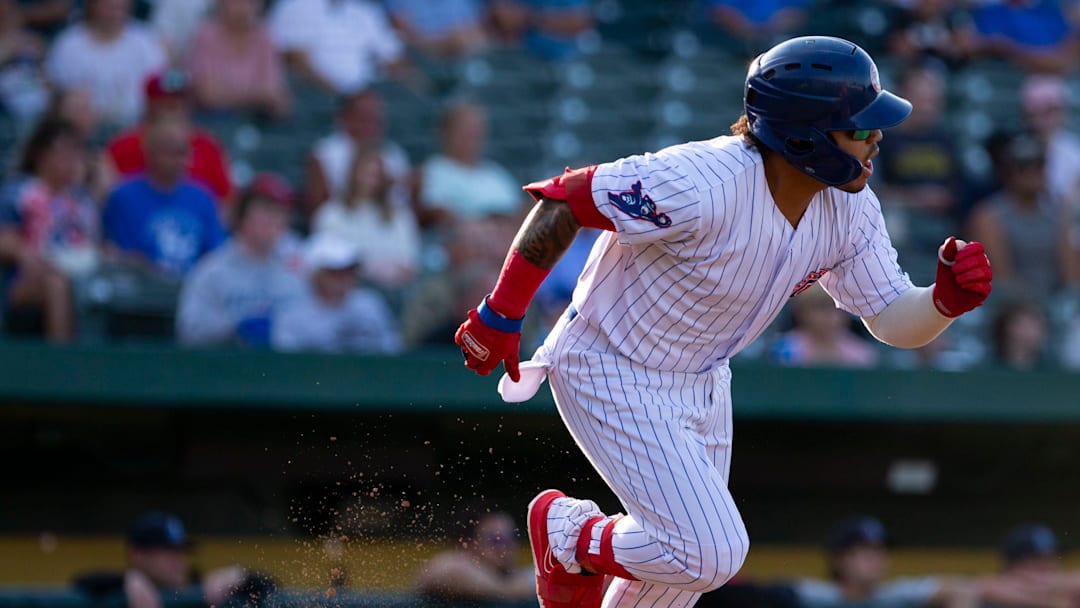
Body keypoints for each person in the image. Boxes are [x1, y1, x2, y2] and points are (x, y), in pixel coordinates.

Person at [454, 36, 993, 607]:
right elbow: (567, 200)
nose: (877, 137)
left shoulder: (851, 206)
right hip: (611, 362)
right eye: (859, 127)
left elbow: (887, 316)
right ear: (802, 132)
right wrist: (501, 313)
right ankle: (571, 536)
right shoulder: (704, 179)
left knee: (670, 587)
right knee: (709, 553)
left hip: (705, 380)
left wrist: (942, 302)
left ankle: (582, 547)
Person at [791, 516, 1037, 608]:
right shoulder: (812, 595)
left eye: (881, 551)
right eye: (865, 551)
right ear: (839, 558)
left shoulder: (896, 595)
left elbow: (959, 590)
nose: (876, 559)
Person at [176, 172, 304, 348]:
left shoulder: (299, 268)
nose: (274, 219)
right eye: (265, 210)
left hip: (286, 368)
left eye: (280, 212)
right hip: (227, 367)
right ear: (242, 217)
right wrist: (233, 327)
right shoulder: (212, 270)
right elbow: (188, 331)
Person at [0, 118, 97, 342]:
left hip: (81, 273)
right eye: (63, 153)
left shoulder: (83, 200)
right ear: (41, 155)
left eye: (76, 153)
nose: (71, 161)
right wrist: (24, 251)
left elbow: (94, 244)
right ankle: (61, 365)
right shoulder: (19, 192)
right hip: (29, 280)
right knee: (57, 284)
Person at [103, 117, 225, 278]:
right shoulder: (124, 197)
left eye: (182, 152)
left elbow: (214, 255)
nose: (177, 160)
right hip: (142, 289)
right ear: (150, 153)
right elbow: (119, 255)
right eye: (169, 152)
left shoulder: (203, 197)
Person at [105, 69, 235, 206]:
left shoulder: (207, 146)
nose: (174, 106)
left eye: (180, 100)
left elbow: (226, 200)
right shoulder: (123, 146)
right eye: (166, 101)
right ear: (150, 104)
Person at [967, 131, 1069, 302]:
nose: (1036, 172)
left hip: (1057, 306)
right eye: (1027, 166)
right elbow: (1002, 280)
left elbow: (1071, 276)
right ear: (1009, 172)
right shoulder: (988, 217)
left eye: (1040, 164)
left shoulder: (1059, 214)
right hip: (1010, 309)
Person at [310, 146, 421, 291]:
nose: (371, 181)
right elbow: (323, 261)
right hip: (348, 291)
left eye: (376, 174)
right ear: (353, 174)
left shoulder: (401, 217)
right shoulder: (330, 214)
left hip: (394, 289)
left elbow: (410, 263)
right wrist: (368, 270)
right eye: (366, 173)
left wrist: (386, 273)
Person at [44, 0, 168, 128]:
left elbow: (159, 87)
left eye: (120, 6)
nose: (116, 12)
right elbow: (54, 91)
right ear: (92, 6)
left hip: (136, 126)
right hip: (80, 130)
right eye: (109, 6)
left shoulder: (146, 41)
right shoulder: (68, 44)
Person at [271, 233, 402, 354]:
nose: (345, 278)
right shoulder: (292, 315)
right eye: (335, 272)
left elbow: (392, 350)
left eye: (349, 271)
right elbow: (288, 365)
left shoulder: (370, 304)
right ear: (316, 275)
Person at [416, 100, 527, 227]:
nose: (472, 136)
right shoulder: (433, 171)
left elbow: (518, 214)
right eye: (465, 129)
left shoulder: (497, 175)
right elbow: (435, 213)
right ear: (446, 132)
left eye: (476, 130)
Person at [302, 88, 411, 216]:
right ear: (345, 118)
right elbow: (318, 211)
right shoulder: (325, 153)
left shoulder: (394, 153)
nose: (371, 126)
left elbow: (402, 203)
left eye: (376, 120)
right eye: (364, 119)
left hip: (385, 224)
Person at [267, 0, 410, 95]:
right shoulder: (295, 5)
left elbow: (394, 60)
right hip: (317, 96)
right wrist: (342, 96)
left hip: (363, 97)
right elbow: (296, 60)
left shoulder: (365, 11)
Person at [186, 0, 291, 120]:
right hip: (214, 120)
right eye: (236, 2)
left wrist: (229, 94)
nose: (244, 8)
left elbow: (275, 96)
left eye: (250, 2)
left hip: (258, 121)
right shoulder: (205, 36)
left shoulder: (264, 38)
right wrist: (258, 97)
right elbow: (207, 95)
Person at [415, 509, 535, 600]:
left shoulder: (523, 575)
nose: (505, 548)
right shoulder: (452, 565)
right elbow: (447, 571)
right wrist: (508, 591)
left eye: (511, 539)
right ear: (467, 544)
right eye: (496, 541)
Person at [769, 283, 880, 368]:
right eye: (822, 308)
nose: (832, 316)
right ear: (802, 311)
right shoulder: (782, 351)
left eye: (839, 309)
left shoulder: (862, 356)